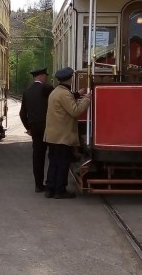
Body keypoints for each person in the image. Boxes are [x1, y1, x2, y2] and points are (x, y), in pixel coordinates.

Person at [43, 67, 91, 199]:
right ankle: (60, 190)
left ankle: (50, 189)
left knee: (54, 163)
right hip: (62, 136)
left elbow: (66, 102)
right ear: (70, 79)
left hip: (53, 135)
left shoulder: (56, 91)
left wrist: (77, 94)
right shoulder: (64, 94)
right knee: (63, 163)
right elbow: (75, 111)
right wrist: (87, 99)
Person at [19, 68, 54, 193]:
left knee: (38, 156)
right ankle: (51, 183)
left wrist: (28, 128)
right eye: (45, 76)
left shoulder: (27, 91)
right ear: (41, 76)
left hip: (35, 128)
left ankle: (38, 185)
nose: (46, 78)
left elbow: (22, 113)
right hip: (49, 127)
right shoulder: (47, 88)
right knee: (53, 154)